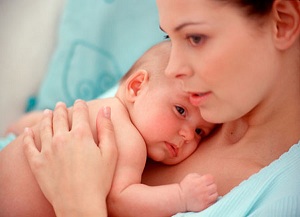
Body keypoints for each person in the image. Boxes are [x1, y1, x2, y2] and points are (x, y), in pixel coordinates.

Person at [16, 0, 300, 216]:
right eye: (168, 38)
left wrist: (78, 205)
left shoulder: (283, 197)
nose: (173, 66)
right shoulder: (174, 89)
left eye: (195, 38)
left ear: (283, 22)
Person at [0, 41, 218, 217]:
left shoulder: (97, 108)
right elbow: (120, 201)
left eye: (200, 131)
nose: (188, 135)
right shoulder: (128, 139)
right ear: (136, 87)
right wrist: (181, 196)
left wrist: (19, 129)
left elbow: (42, 120)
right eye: (180, 110)